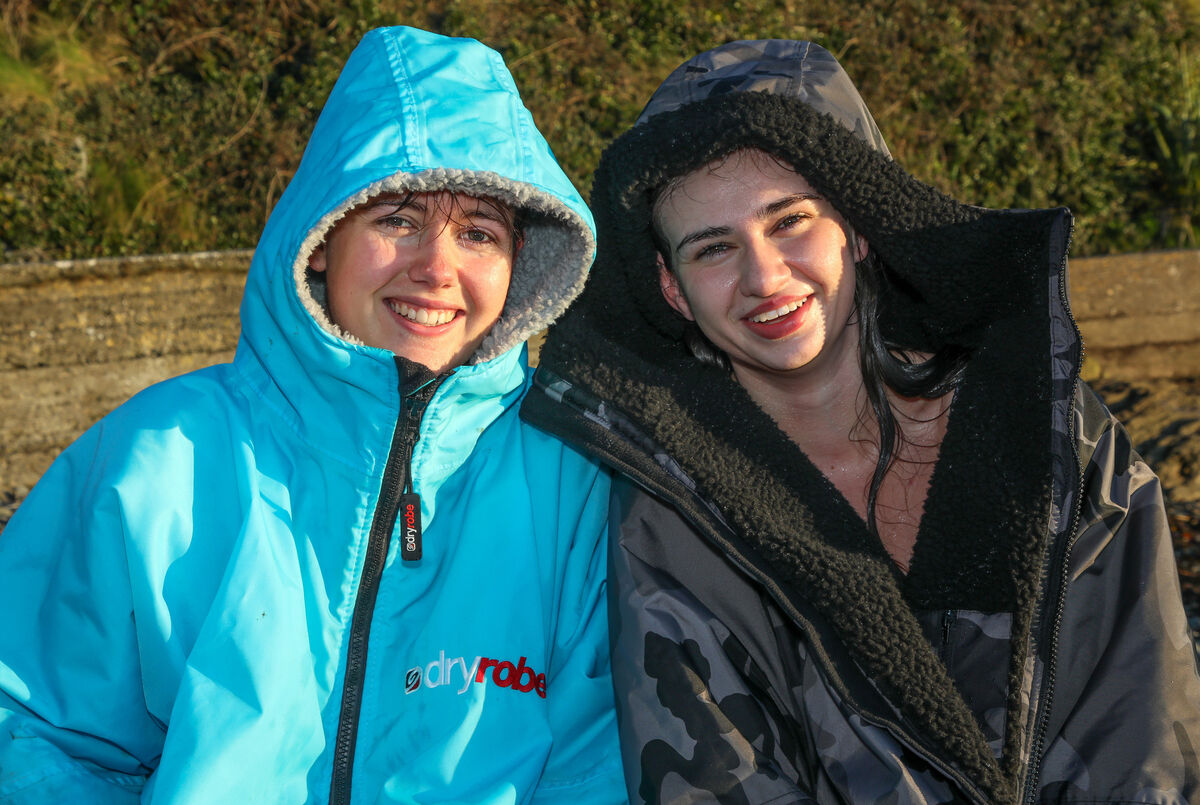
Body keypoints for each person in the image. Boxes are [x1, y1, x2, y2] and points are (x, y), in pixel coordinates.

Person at [521, 39, 1200, 803]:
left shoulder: (1054, 442)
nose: (763, 277)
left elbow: (1144, 742)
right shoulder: (671, 520)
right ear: (673, 290)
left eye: (789, 220)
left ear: (860, 223)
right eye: (713, 247)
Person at [0, 26, 624, 803]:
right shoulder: (159, 457)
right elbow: (31, 728)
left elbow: (603, 762)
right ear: (324, 239)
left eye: (478, 233)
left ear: (517, 267)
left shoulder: (574, 478)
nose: (436, 267)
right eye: (397, 218)